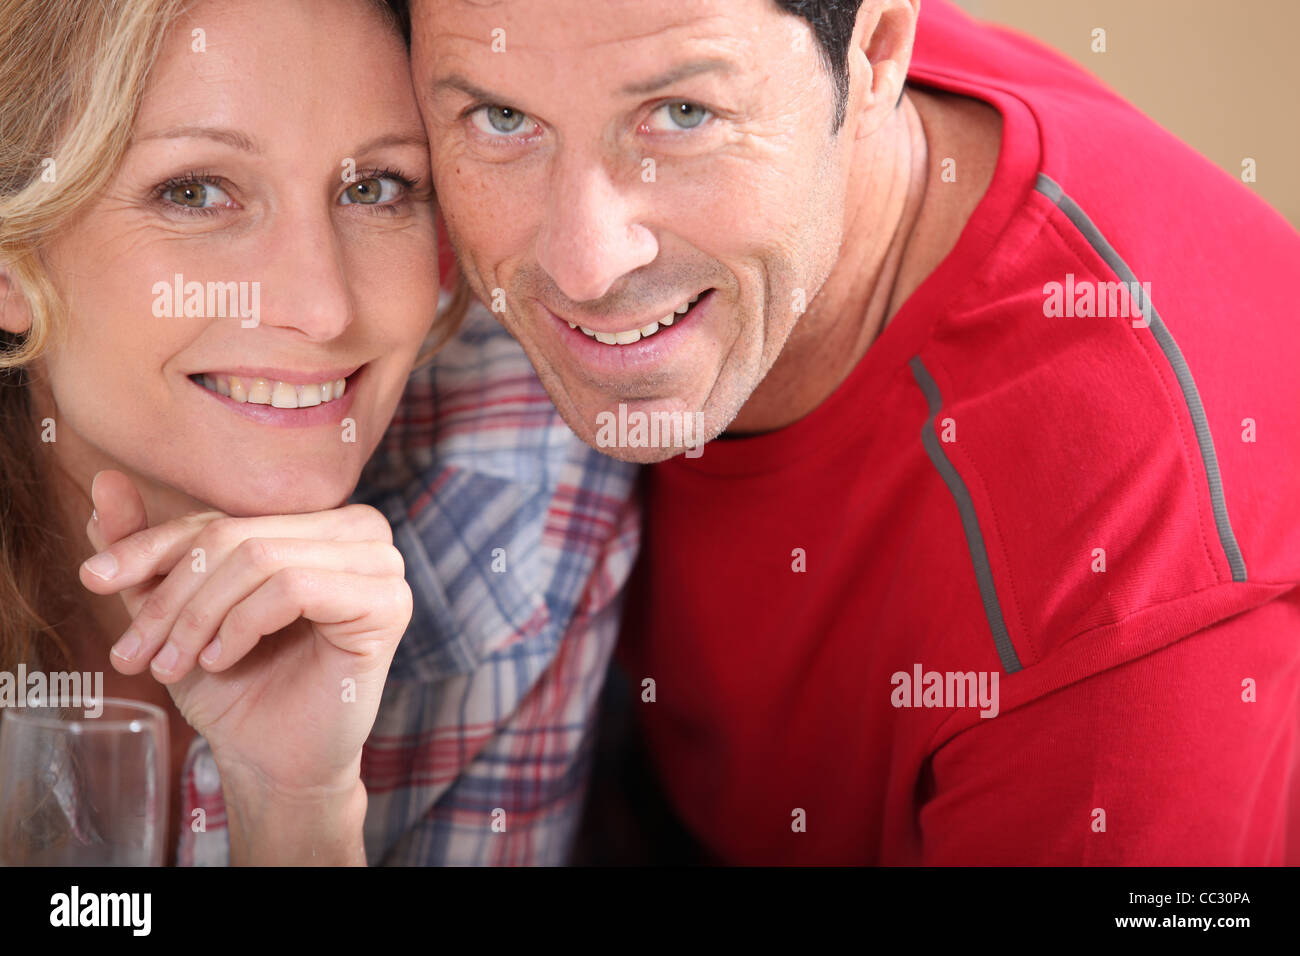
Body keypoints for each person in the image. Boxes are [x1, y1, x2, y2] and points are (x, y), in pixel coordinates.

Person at [408, 0, 1300, 863]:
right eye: (501, 117)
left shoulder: (1117, 603)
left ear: (876, 55)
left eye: (680, 115)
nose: (585, 263)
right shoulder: (707, 41)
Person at [0, 0, 637, 866]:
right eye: (195, 193)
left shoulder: (521, 474)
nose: (321, 307)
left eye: (374, 189)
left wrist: (296, 813)